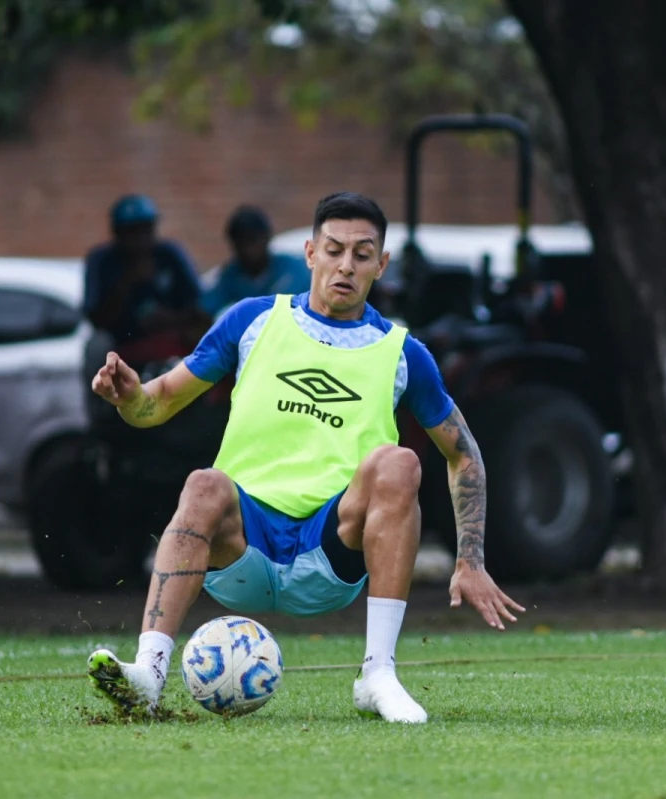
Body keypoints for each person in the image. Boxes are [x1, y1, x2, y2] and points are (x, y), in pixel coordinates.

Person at [84, 191, 523, 723]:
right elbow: (156, 406)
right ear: (311, 253)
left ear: (380, 265)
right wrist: (128, 397)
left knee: (401, 462)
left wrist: (470, 560)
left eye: (362, 254)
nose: (346, 265)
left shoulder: (404, 353)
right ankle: (147, 674)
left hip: (329, 552)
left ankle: (377, 674)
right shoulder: (251, 320)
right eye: (334, 250)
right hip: (241, 547)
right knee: (203, 483)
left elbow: (465, 455)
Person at [83, 194, 208, 355]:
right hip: (121, 340)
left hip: (170, 334)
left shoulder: (169, 254)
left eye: (145, 229)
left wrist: (169, 318)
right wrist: (126, 283)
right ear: (117, 233)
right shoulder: (101, 260)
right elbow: (95, 318)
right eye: (132, 231)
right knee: (97, 345)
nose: (140, 239)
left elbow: (199, 305)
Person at [199, 205, 312, 318]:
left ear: (266, 238)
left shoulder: (292, 270)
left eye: (252, 240)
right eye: (240, 243)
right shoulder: (231, 276)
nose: (247, 249)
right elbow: (205, 310)